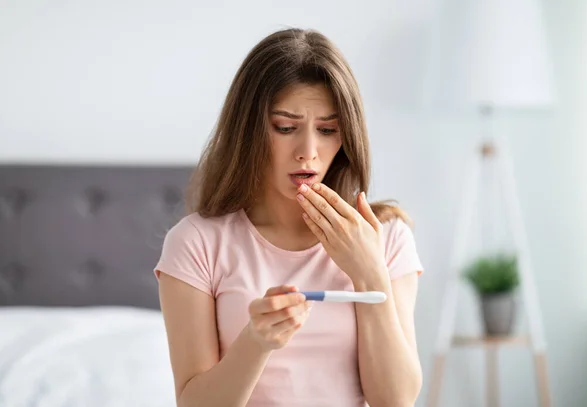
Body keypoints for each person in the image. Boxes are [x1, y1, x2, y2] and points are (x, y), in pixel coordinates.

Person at [154, 27, 424, 407]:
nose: (308, 151)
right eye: (285, 127)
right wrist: (256, 343)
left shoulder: (387, 237)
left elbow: (396, 400)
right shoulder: (196, 244)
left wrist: (369, 272)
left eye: (328, 130)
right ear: (248, 131)